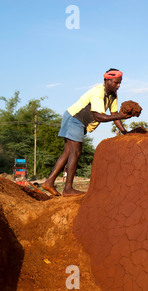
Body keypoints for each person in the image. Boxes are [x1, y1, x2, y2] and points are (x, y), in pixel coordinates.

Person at [42, 68, 134, 197]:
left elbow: (114, 115)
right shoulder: (98, 92)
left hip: (77, 121)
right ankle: (68, 189)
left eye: (120, 83)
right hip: (74, 118)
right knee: (76, 152)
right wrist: (123, 116)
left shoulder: (113, 95)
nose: (118, 85)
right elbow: (98, 116)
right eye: (116, 82)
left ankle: (49, 182)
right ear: (107, 80)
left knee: (68, 152)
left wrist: (125, 132)